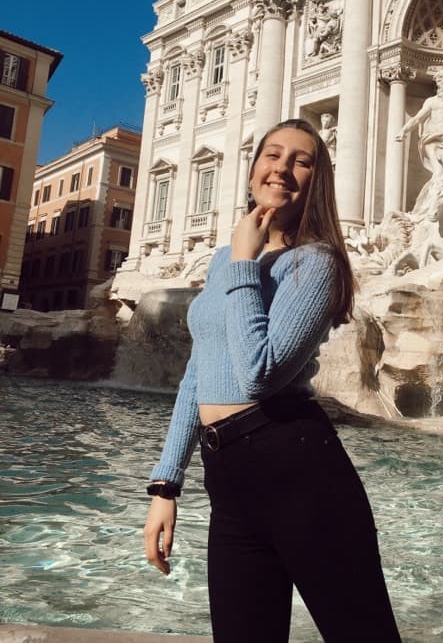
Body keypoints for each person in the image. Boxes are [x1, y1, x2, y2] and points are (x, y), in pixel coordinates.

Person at [144, 118, 401, 643]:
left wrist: (245, 260)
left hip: (298, 471)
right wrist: (166, 483)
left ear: (316, 181)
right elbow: (200, 370)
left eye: (301, 161)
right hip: (230, 479)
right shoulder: (222, 261)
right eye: (272, 155)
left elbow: (260, 373)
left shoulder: (316, 264)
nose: (282, 168)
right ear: (253, 168)